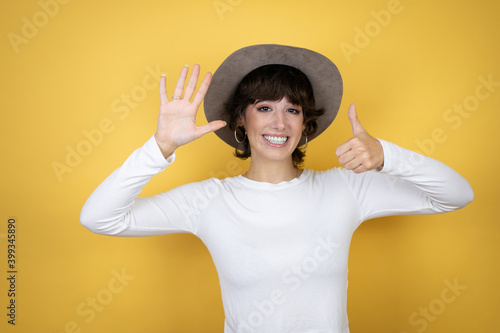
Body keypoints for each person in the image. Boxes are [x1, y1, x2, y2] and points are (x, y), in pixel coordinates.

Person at [80, 44, 474, 333]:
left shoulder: (346, 189)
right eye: (265, 107)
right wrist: (160, 147)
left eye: (293, 110)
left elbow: (458, 194)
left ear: (306, 126)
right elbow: (99, 218)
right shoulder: (208, 200)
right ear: (241, 120)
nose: (279, 123)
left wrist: (388, 155)